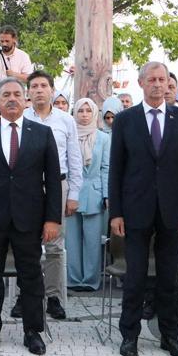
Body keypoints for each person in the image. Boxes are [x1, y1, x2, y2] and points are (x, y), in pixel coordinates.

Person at [109, 61, 178, 356]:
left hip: (173, 211)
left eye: (163, 79)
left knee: (169, 277)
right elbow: (117, 170)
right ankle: (129, 336)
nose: (158, 84)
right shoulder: (125, 120)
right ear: (141, 83)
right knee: (134, 276)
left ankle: (169, 336)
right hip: (135, 209)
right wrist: (116, 213)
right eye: (152, 79)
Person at [0, 77, 62, 355]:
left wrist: (52, 219)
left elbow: (53, 180)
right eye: (5, 94)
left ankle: (33, 332)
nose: (11, 99)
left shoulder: (42, 134)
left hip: (29, 220)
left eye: (17, 94)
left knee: (31, 278)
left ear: (25, 99)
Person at [19, 70, 83, 320]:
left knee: (55, 245)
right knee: (26, 243)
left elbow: (74, 158)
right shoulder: (21, 118)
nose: (38, 90)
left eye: (43, 85)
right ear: (28, 92)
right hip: (28, 188)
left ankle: (53, 296)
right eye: (33, 86)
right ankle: (25, 295)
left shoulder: (65, 121)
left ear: (52, 90)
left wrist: (74, 193)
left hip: (59, 186)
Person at [65, 98, 109, 291]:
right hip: (70, 192)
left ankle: (91, 280)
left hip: (94, 192)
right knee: (71, 240)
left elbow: (106, 168)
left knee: (92, 240)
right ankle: (73, 279)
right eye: (80, 110)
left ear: (94, 113)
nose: (84, 114)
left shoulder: (104, 138)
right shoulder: (69, 135)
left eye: (88, 111)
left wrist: (107, 194)